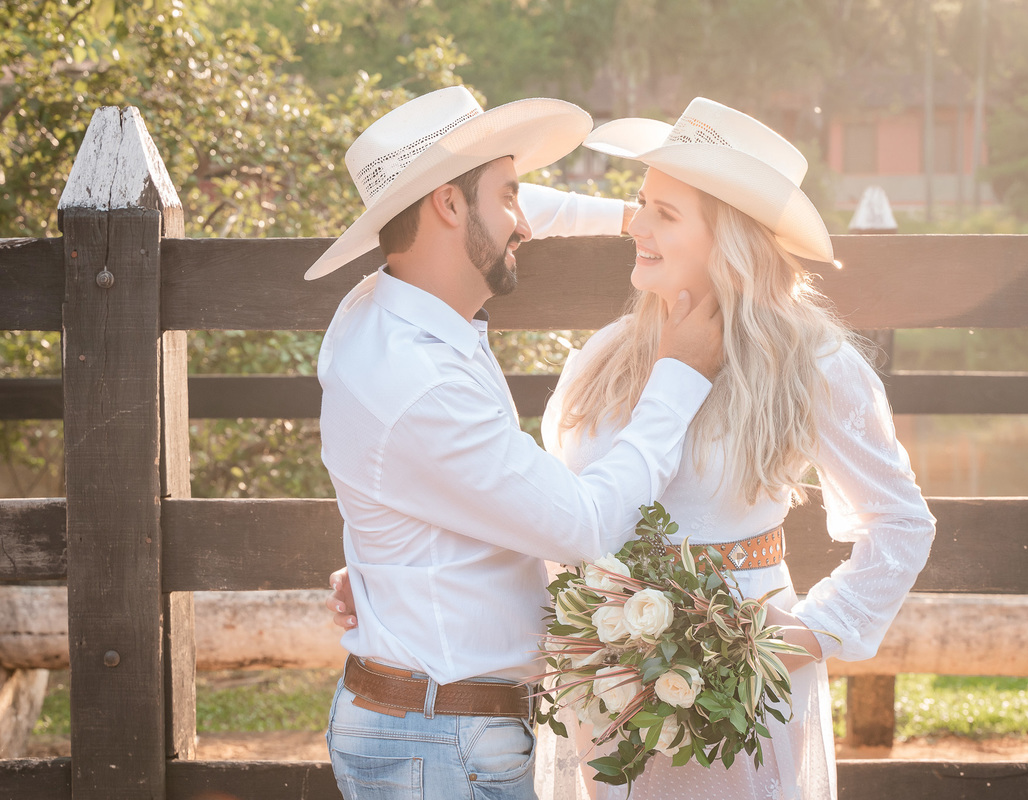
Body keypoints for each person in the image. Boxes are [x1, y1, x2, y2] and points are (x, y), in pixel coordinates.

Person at [330, 96, 935, 800]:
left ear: (730, 238)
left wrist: (806, 636)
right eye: (640, 204)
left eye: (661, 213)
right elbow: (555, 513)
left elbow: (900, 522)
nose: (635, 224)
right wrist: (402, 575)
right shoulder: (605, 358)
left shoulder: (813, 361)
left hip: (744, 683)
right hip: (606, 684)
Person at [309, 85, 724, 800]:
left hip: (428, 721)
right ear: (446, 205)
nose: (526, 223)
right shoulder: (422, 381)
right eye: (509, 198)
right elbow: (583, 526)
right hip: (442, 746)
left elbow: (517, 213)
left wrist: (643, 222)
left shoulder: (381, 309)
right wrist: (678, 377)